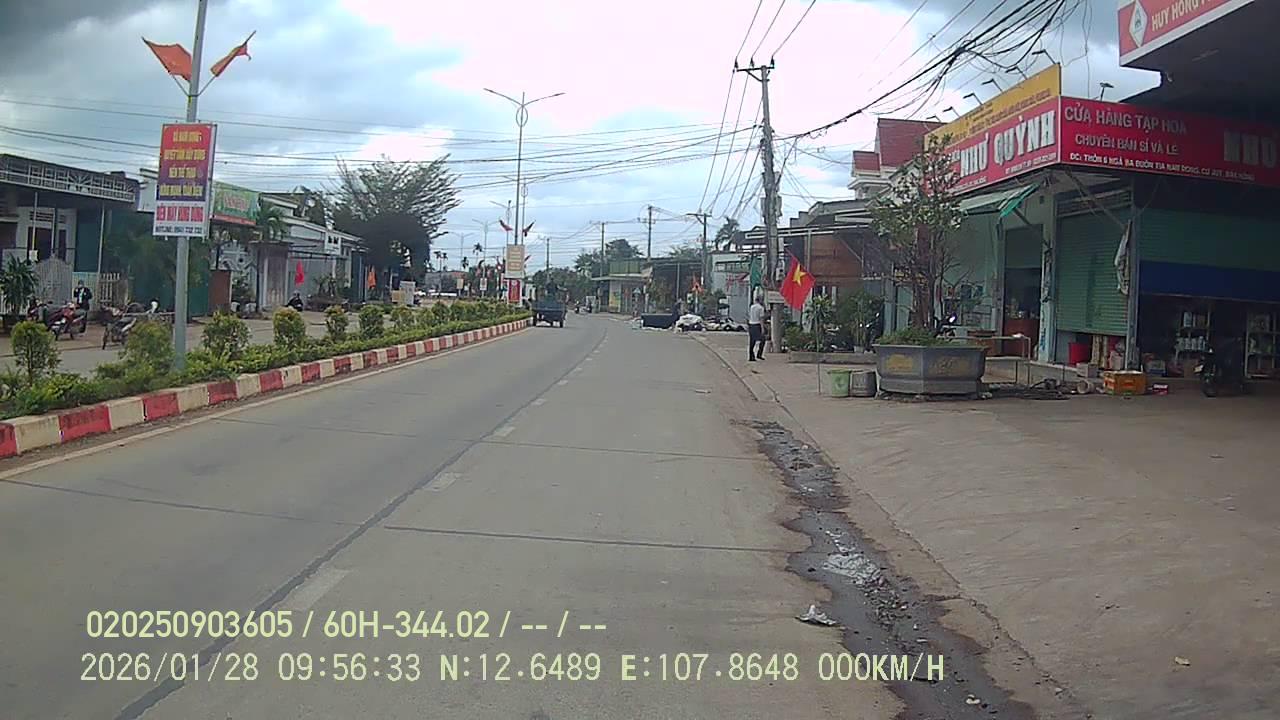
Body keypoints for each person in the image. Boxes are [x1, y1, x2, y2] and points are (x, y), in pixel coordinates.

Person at [748, 292, 766, 362]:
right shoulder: (761, 308)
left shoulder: (752, 307)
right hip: (757, 324)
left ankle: (751, 356)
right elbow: (761, 319)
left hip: (751, 324)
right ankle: (759, 354)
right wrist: (762, 328)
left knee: (752, 341)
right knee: (763, 340)